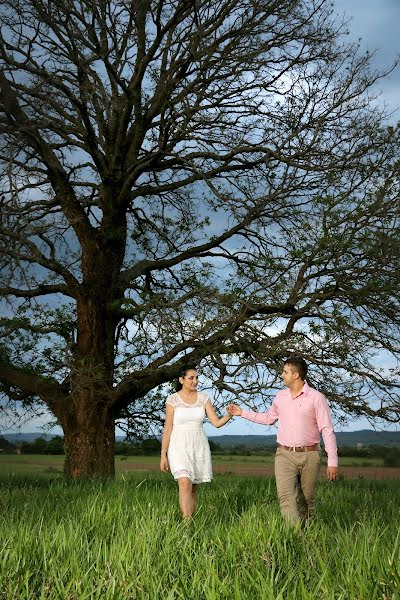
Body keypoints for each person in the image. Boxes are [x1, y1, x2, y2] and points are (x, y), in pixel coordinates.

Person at [228, 356, 339, 525]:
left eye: (285, 372)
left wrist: (333, 460)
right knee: (286, 498)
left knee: (306, 501)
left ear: (296, 375)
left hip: (310, 455)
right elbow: (268, 418)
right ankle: (294, 537)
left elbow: (327, 429)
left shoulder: (317, 398)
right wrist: (242, 412)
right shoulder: (280, 397)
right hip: (284, 455)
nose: (282, 375)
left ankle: (308, 535)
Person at [160, 365, 232, 519]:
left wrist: (229, 415)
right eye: (191, 378)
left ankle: (190, 521)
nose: (195, 381)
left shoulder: (203, 398)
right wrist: (163, 454)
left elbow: (216, 423)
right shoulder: (172, 400)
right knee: (185, 481)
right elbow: (167, 428)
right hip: (178, 445)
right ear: (181, 380)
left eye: (197, 378)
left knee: (193, 488)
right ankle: (186, 525)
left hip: (198, 444)